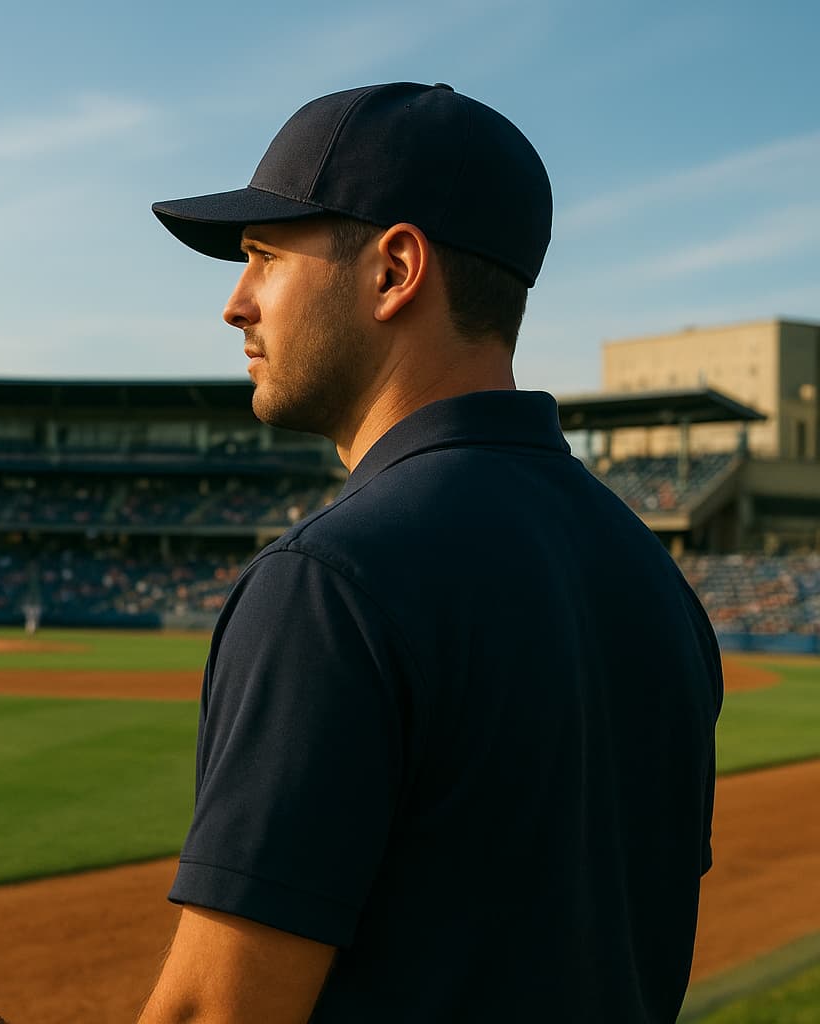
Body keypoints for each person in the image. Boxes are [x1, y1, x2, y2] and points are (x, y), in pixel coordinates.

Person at [138, 82, 722, 1023]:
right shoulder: (652, 576)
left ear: (395, 269)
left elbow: (217, 1013)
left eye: (263, 257)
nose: (235, 305)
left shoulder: (333, 582)